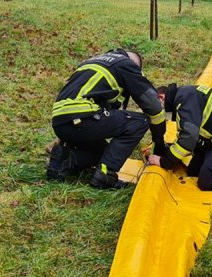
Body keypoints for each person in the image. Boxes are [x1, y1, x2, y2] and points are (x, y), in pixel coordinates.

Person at [47, 48, 166, 189]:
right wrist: (159, 140)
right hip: (84, 116)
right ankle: (105, 175)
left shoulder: (91, 62)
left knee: (105, 152)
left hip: (61, 122)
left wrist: (62, 138)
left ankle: (66, 160)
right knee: (139, 121)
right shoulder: (126, 64)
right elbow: (152, 104)